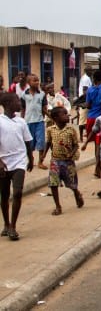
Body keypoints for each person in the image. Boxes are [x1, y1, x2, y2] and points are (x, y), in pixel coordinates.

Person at [0, 93, 34, 241]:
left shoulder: (21, 122)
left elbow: (27, 142)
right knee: (4, 195)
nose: (19, 104)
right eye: (16, 101)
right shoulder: (0, 121)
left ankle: (13, 226)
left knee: (18, 192)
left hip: (19, 161)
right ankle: (6, 223)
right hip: (3, 162)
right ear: (7, 104)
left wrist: (31, 158)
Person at [42, 106, 84, 215]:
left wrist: (72, 153)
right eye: (64, 114)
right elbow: (48, 143)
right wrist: (43, 155)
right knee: (53, 183)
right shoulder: (50, 130)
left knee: (72, 183)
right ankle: (58, 206)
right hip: (55, 160)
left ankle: (76, 193)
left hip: (68, 161)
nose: (67, 116)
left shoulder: (71, 130)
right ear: (55, 117)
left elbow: (76, 145)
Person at [20, 74, 48, 169]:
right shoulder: (24, 94)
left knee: (41, 142)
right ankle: (30, 159)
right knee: (29, 142)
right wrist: (22, 120)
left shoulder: (42, 94)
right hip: (28, 122)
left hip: (39, 121)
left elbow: (44, 108)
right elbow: (23, 108)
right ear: (28, 83)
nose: (37, 82)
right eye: (34, 80)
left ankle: (40, 161)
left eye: (37, 80)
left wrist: (48, 117)